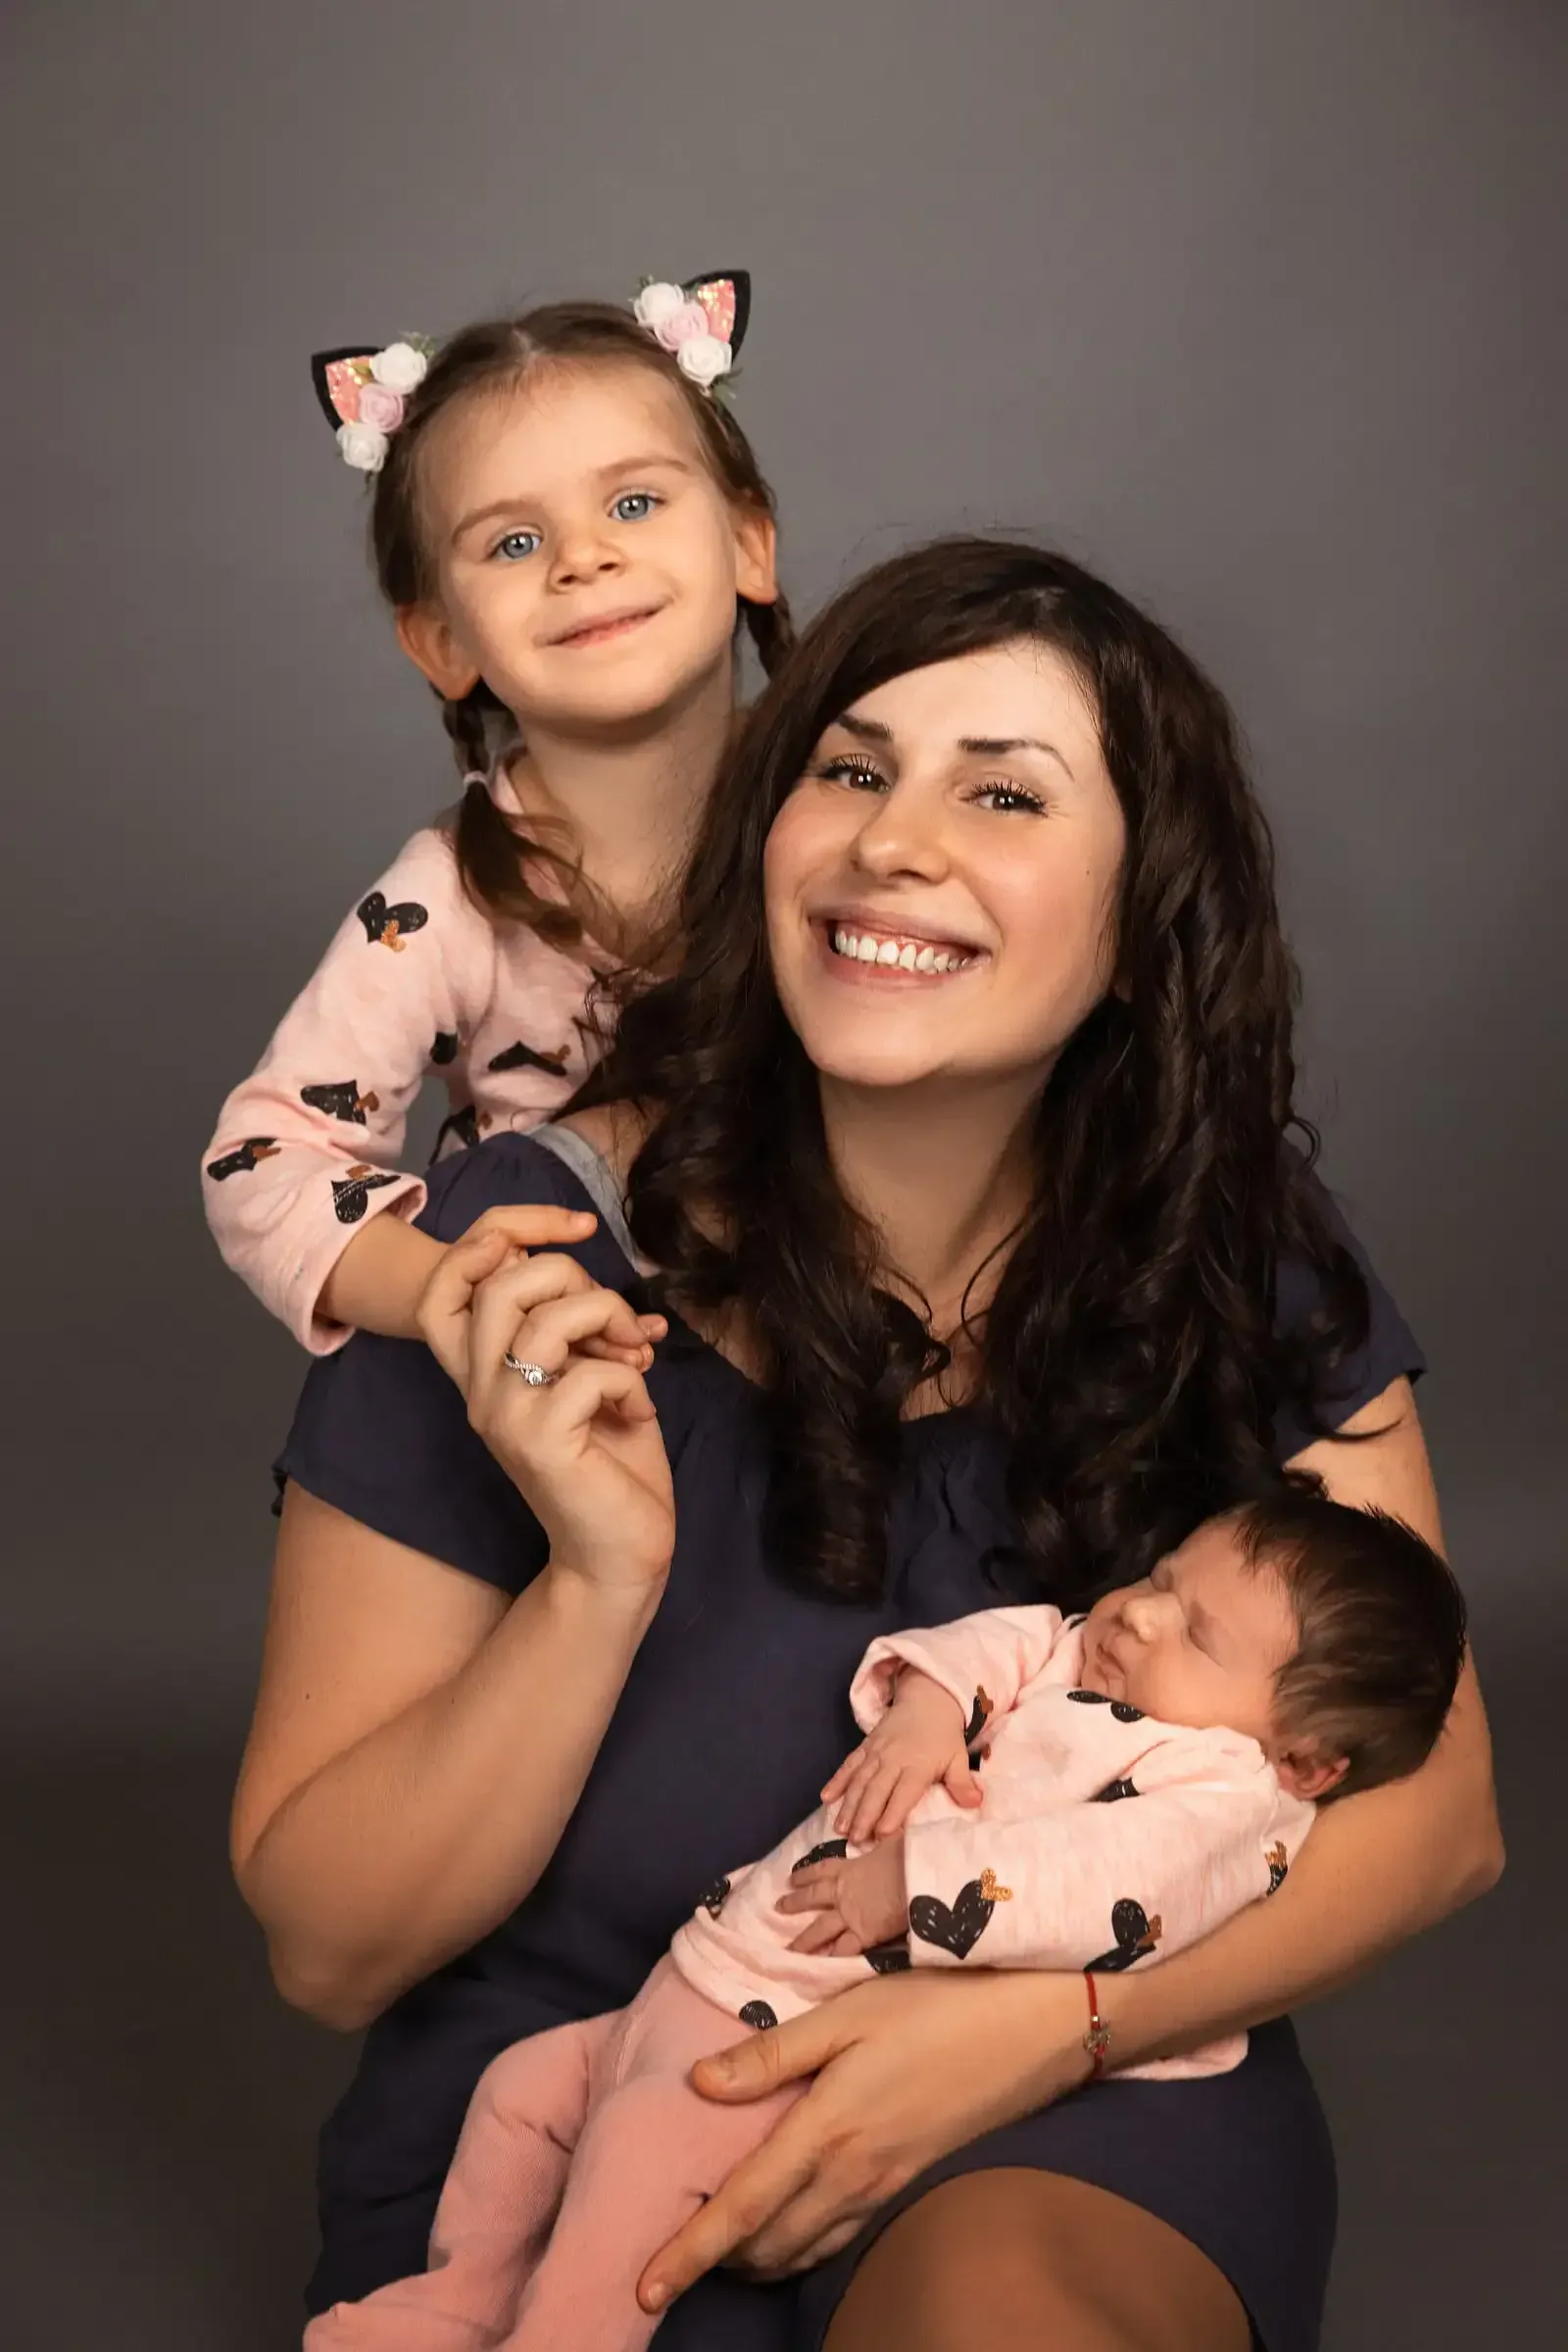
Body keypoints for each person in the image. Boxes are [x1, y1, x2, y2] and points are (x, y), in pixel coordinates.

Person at [232, 537, 1502, 2352]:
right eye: (850, 768)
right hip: (592, 2107)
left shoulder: (1235, 1248)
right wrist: (598, 1583)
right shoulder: (514, 1256)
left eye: (1005, 793)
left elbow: (1438, 1817)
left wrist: (1038, 2032)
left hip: (1068, 2084)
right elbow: (328, 1947)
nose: (892, 842)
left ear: (1143, 924)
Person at [299, 1492, 1467, 2351]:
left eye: (1197, 1633)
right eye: (1161, 1576)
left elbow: (1101, 1883)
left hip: (794, 2028)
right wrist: (928, 1710)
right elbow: (1003, 1640)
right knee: (520, 2095)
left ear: (1304, 1759)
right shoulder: (1081, 1656)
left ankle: (563, 2340)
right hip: (711, 1973)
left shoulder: (1219, 1793)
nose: (1142, 1617)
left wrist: (913, 1883)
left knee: (639, 2152)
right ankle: (456, 2305)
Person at [202, 273, 786, 1350]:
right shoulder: (446, 905)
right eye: (514, 543)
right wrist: (454, 1295)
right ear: (443, 642)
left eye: (634, 503)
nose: (583, 559)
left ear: (750, 544)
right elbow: (263, 1160)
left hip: (825, 1355)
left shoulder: (849, 806)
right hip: (561, 1374)